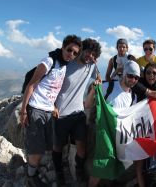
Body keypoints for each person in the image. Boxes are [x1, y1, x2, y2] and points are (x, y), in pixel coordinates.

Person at [19, 35, 82, 186]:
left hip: (47, 111)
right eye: (69, 50)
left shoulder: (64, 65)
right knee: (36, 149)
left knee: (44, 146)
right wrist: (23, 111)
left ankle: (34, 171)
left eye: (75, 53)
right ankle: (31, 178)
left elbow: (52, 88)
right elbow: (31, 85)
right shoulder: (49, 61)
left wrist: (53, 106)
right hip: (36, 108)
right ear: (63, 47)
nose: (71, 55)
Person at [52, 38, 102, 186]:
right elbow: (52, 86)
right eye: (88, 52)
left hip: (78, 113)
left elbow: (98, 77)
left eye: (94, 55)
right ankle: (59, 173)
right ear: (81, 50)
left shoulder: (91, 66)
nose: (90, 56)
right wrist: (53, 106)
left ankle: (78, 170)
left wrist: (97, 79)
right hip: (60, 113)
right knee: (58, 146)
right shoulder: (67, 64)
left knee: (81, 145)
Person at [85, 60, 141, 187]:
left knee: (110, 165)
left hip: (116, 136)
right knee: (100, 164)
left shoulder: (134, 98)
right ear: (124, 74)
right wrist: (93, 91)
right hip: (101, 133)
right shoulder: (108, 87)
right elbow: (87, 104)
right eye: (130, 75)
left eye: (136, 77)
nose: (133, 80)